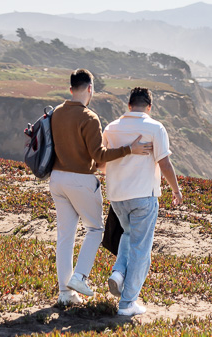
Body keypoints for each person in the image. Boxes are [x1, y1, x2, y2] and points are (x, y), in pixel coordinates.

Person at [49, 68, 151, 306]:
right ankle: (80, 277)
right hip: (81, 179)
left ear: (71, 89)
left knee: (64, 236)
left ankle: (65, 293)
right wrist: (129, 150)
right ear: (90, 89)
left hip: (57, 179)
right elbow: (98, 155)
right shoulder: (89, 117)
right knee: (95, 229)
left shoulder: (56, 113)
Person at [102, 86, 184, 317]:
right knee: (141, 250)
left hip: (117, 197)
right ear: (149, 107)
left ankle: (118, 273)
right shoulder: (155, 127)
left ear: (129, 105)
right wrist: (175, 191)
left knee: (128, 235)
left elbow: (102, 161)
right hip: (143, 197)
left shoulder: (111, 128)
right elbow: (165, 163)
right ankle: (128, 303)